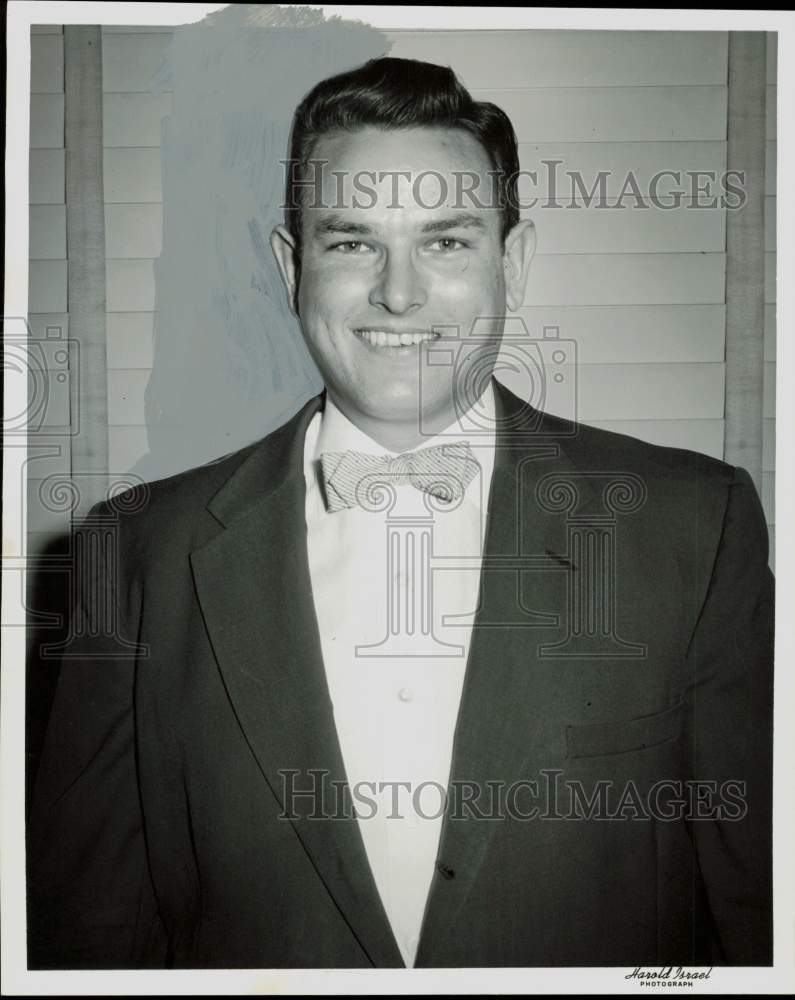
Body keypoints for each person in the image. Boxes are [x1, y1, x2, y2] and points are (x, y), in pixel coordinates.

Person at [27, 56, 774, 970]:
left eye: (446, 241)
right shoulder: (131, 551)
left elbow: (757, 917)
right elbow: (87, 938)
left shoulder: (697, 525)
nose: (399, 293)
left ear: (514, 258)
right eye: (351, 242)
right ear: (291, 266)